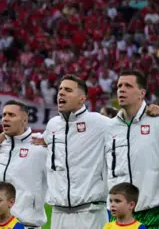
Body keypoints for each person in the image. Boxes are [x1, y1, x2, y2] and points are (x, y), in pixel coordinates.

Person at [105, 70, 159, 228]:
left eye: (128, 86)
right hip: (117, 216)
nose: (121, 89)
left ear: (142, 93)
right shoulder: (108, 127)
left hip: (153, 213)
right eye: (119, 86)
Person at [43, 75, 111, 229]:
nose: (61, 93)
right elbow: (38, 139)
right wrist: (3, 136)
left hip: (90, 213)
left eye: (68, 90)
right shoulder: (53, 125)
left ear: (82, 99)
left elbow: (128, 127)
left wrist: (149, 112)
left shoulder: (100, 123)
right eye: (60, 89)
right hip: (58, 214)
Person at [0, 100, 47, 228]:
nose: (5, 119)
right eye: (4, 115)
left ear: (25, 120)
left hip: (26, 224)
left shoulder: (39, 147)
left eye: (11, 115)